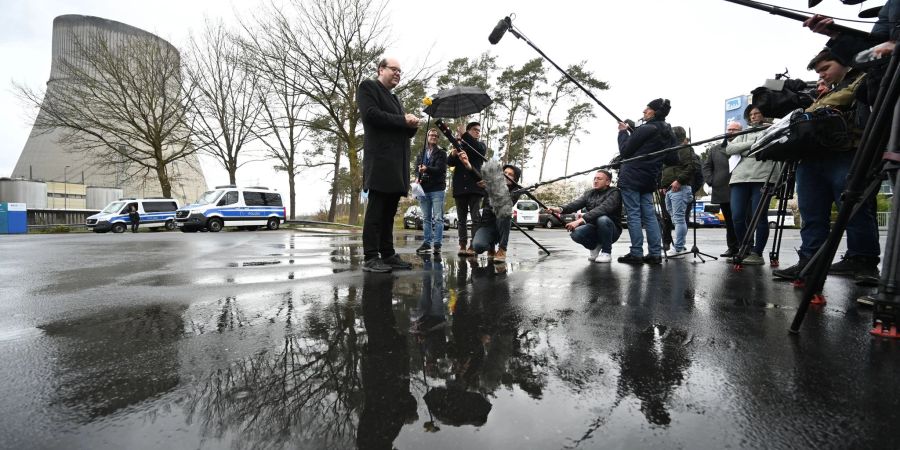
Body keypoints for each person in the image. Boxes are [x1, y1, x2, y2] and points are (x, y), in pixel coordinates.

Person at [772, 49, 880, 282]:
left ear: (844, 61)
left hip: (846, 153)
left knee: (853, 209)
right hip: (811, 157)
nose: (823, 76)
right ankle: (810, 261)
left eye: (825, 68)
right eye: (819, 72)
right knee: (811, 213)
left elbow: (847, 96)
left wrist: (806, 113)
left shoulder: (862, 78)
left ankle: (863, 261)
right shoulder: (820, 93)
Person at [357, 57, 419, 273]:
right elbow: (372, 116)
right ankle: (371, 257)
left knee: (389, 213)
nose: (398, 74)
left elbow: (401, 129)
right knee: (376, 212)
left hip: (397, 165)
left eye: (400, 72)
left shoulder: (395, 98)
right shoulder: (368, 87)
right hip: (380, 162)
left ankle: (388, 254)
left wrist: (412, 124)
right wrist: (403, 120)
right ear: (380, 69)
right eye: (394, 69)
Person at [616, 98, 677, 265]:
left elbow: (625, 152)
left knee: (634, 215)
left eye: (648, 109)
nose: (644, 111)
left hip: (631, 176)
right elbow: (673, 158)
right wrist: (635, 131)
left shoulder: (646, 128)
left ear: (655, 112)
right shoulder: (668, 132)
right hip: (650, 177)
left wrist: (623, 132)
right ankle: (655, 253)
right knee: (649, 216)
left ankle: (636, 253)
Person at [724, 106, 779, 265]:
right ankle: (745, 248)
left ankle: (757, 253)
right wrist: (753, 143)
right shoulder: (744, 132)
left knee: (759, 217)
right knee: (737, 216)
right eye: (751, 114)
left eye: (757, 113)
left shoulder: (772, 130)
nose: (753, 116)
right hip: (740, 178)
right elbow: (730, 148)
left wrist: (745, 149)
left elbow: (767, 149)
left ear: (763, 114)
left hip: (763, 176)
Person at [550, 169, 623, 263]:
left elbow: (603, 209)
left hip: (612, 230)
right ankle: (595, 247)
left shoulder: (615, 192)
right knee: (575, 234)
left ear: (608, 182)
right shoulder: (589, 193)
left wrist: (579, 221)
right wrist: (559, 209)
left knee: (602, 219)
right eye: (595, 178)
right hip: (594, 227)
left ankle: (606, 252)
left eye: (599, 179)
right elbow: (575, 204)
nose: (595, 181)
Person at [447, 122, 487, 257]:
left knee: (476, 218)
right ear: (469, 130)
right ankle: (462, 245)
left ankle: (473, 245)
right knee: (461, 219)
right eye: (475, 130)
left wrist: (464, 135)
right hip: (460, 187)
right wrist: (453, 153)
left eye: (479, 130)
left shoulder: (480, 145)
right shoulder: (459, 145)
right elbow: (450, 163)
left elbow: (478, 151)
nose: (478, 132)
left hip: (475, 186)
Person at [702, 122, 741, 257]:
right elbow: (706, 167)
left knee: (741, 219)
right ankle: (732, 248)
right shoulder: (715, 149)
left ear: (741, 131)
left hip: (741, 187)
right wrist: (711, 180)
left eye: (734, 130)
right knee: (729, 221)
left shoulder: (746, 145)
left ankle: (745, 247)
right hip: (722, 189)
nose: (731, 132)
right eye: (729, 129)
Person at [658, 126, 696, 258]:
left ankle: (678, 248)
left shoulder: (685, 149)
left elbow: (691, 167)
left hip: (679, 188)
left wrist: (679, 181)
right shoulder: (671, 151)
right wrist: (663, 185)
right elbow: (665, 170)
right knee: (674, 218)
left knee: (678, 219)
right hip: (669, 189)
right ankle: (680, 246)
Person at [472, 163, 522, 263]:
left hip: (501, 226)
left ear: (515, 178)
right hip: (487, 225)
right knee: (478, 246)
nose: (506, 175)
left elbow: (505, 203)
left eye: (510, 174)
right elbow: (478, 177)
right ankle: (490, 247)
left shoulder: (516, 190)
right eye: (505, 172)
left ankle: (502, 249)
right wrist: (468, 165)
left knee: (504, 211)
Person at [414, 128, 448, 255]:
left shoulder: (442, 153)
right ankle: (427, 243)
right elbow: (416, 169)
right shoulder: (421, 153)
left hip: (437, 189)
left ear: (438, 139)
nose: (433, 137)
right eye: (431, 135)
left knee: (438, 218)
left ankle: (437, 244)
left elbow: (440, 169)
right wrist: (418, 177)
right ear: (427, 137)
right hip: (423, 190)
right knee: (426, 218)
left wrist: (426, 169)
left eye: (436, 135)